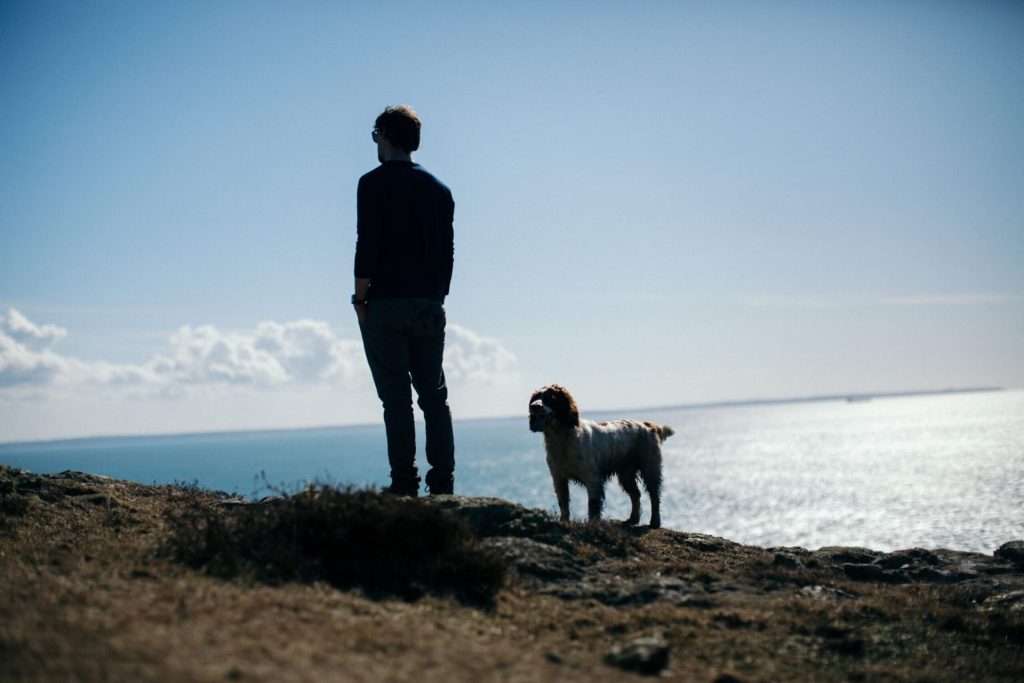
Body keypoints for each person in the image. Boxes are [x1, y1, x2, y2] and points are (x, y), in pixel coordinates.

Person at [352, 105, 455, 497]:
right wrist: (437, 296)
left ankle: (404, 484)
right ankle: (442, 483)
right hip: (429, 304)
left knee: (396, 398)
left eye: (376, 135)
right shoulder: (440, 190)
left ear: (385, 135)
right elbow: (448, 253)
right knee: (434, 397)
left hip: (386, 304)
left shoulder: (372, 183)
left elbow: (368, 245)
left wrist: (359, 299)